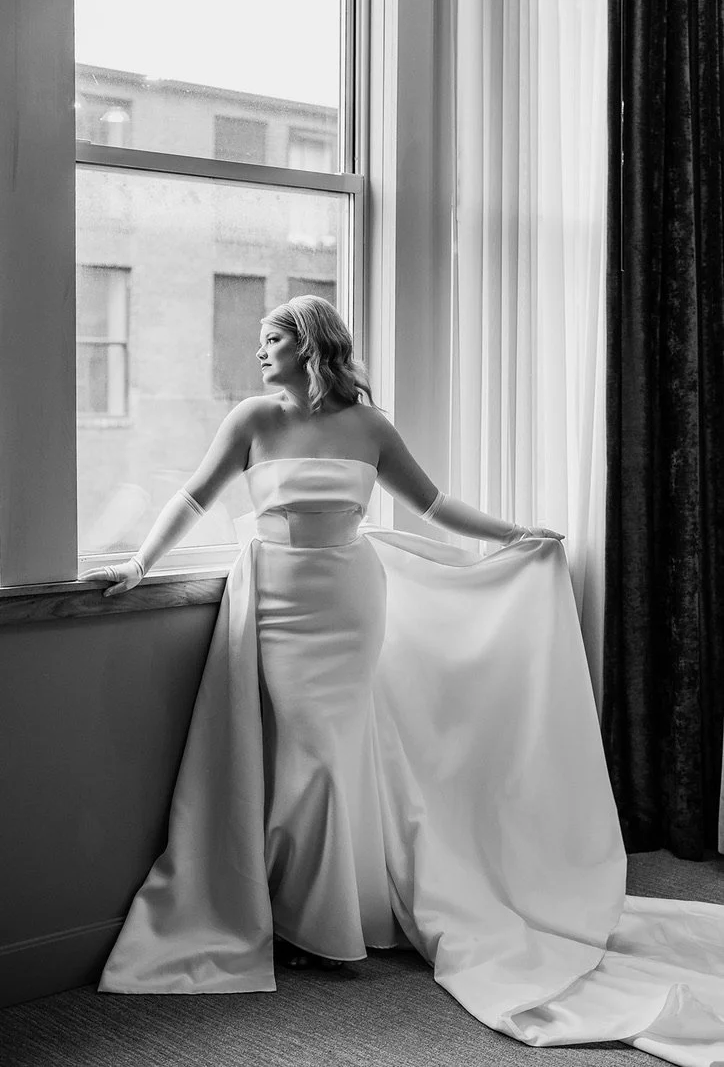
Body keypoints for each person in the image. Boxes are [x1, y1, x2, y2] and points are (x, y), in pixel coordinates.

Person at [84, 297, 724, 1066]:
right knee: (300, 761)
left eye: (272, 338)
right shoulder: (252, 420)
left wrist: (516, 532)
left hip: (348, 603)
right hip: (277, 603)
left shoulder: (370, 427)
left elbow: (434, 504)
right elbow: (193, 495)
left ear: (310, 345)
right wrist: (139, 563)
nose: (259, 350)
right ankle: (297, 915)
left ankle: (317, 924)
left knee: (328, 760)